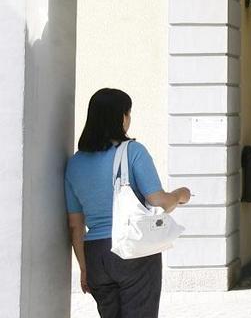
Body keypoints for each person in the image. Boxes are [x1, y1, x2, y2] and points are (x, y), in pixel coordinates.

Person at [65, 88, 191, 318]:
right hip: (133, 250)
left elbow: (75, 226)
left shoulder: (74, 163)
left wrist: (84, 268)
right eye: (128, 113)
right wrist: (181, 194)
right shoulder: (133, 151)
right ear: (121, 117)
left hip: (95, 255)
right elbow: (159, 201)